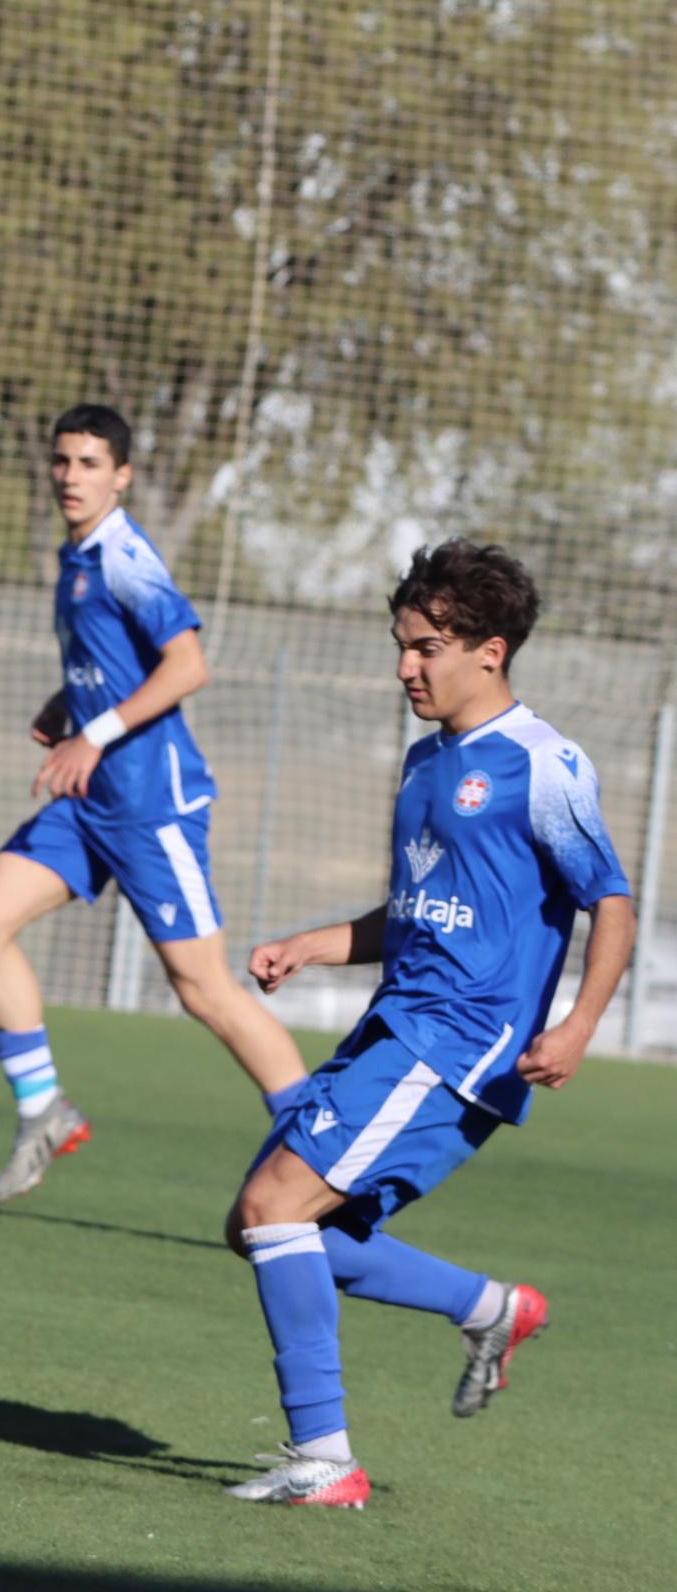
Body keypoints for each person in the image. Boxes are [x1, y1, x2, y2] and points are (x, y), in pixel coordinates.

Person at [223, 541, 629, 1508]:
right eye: (402, 646)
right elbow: (416, 912)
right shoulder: (424, 760)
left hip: (457, 1044)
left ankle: (326, 1461)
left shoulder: (543, 764)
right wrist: (315, 945)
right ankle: (490, 1309)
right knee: (262, 1227)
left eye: (427, 648)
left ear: (491, 652)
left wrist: (578, 1026)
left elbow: (611, 901)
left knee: (276, 1209)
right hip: (395, 1027)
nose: (406, 667)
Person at [0, 404, 305, 1203]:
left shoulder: (125, 555)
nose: (70, 476)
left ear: (122, 476)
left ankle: (320, 1141)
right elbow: (113, 663)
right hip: (90, 800)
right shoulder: (74, 556)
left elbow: (187, 666)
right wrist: (67, 706)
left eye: (89, 463)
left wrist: (94, 733)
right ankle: (43, 1109)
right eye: (62, 461)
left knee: (203, 989)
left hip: (152, 805)